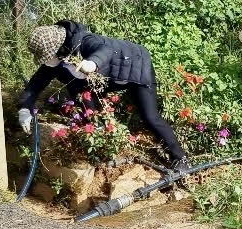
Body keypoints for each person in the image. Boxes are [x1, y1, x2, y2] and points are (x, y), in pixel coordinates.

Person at [17, 21, 188, 168]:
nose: (47, 61)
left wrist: (92, 63)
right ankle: (97, 134)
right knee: (80, 93)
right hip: (107, 76)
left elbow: (104, 49)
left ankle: (180, 158)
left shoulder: (83, 40)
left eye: (48, 56)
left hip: (134, 64)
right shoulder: (58, 56)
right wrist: (24, 108)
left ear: (58, 47)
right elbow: (37, 82)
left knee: (150, 117)